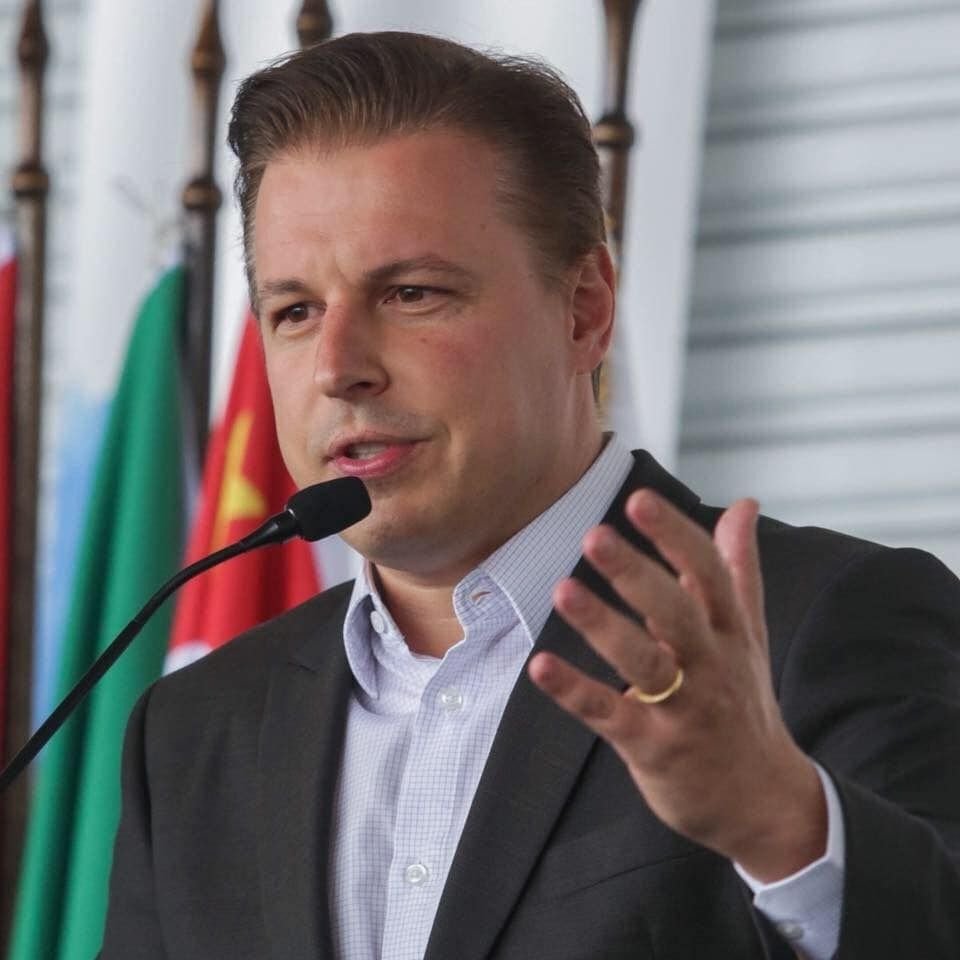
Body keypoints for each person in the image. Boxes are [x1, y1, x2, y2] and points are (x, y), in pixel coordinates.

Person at [100, 32, 960, 960]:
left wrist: (786, 831)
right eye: (296, 311)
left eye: (412, 293)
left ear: (584, 309)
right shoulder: (194, 731)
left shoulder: (814, 626)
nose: (337, 368)